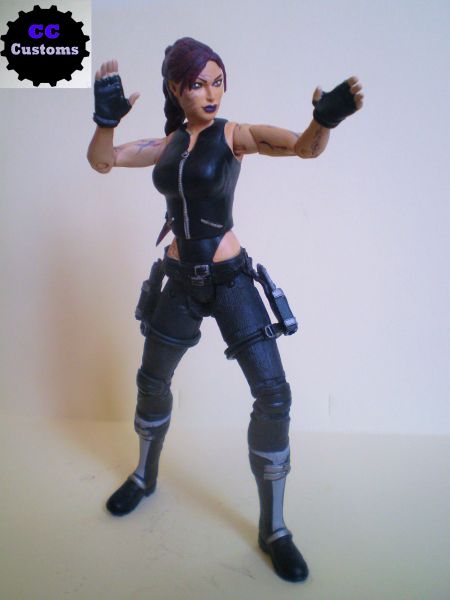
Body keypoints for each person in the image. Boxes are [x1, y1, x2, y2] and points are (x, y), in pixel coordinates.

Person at [87, 37, 363, 583]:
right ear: (176, 89)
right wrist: (105, 122)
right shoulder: (168, 143)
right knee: (151, 380)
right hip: (177, 282)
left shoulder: (233, 135)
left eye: (217, 81)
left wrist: (323, 121)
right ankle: (143, 477)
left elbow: (302, 148)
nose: (210, 93)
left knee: (273, 394)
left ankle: (274, 528)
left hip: (230, 280)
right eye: (197, 83)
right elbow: (103, 161)